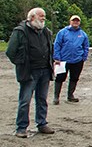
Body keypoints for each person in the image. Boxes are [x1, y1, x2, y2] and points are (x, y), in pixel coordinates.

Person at [6, 8, 55, 138]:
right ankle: (21, 127)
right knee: (25, 100)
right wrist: (21, 63)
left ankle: (42, 123)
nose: (44, 18)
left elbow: (50, 48)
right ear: (32, 17)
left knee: (42, 99)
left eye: (44, 16)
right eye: (41, 16)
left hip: (45, 70)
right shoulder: (20, 31)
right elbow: (10, 51)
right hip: (29, 72)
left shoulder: (46, 32)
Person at [53, 15, 90, 104]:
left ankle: (70, 95)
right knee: (60, 78)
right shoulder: (62, 32)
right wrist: (57, 57)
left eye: (77, 21)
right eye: (74, 20)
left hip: (77, 60)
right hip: (63, 60)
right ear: (70, 21)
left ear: (79, 22)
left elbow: (86, 46)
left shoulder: (83, 34)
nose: (75, 22)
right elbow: (57, 45)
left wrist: (84, 57)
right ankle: (56, 97)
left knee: (74, 78)